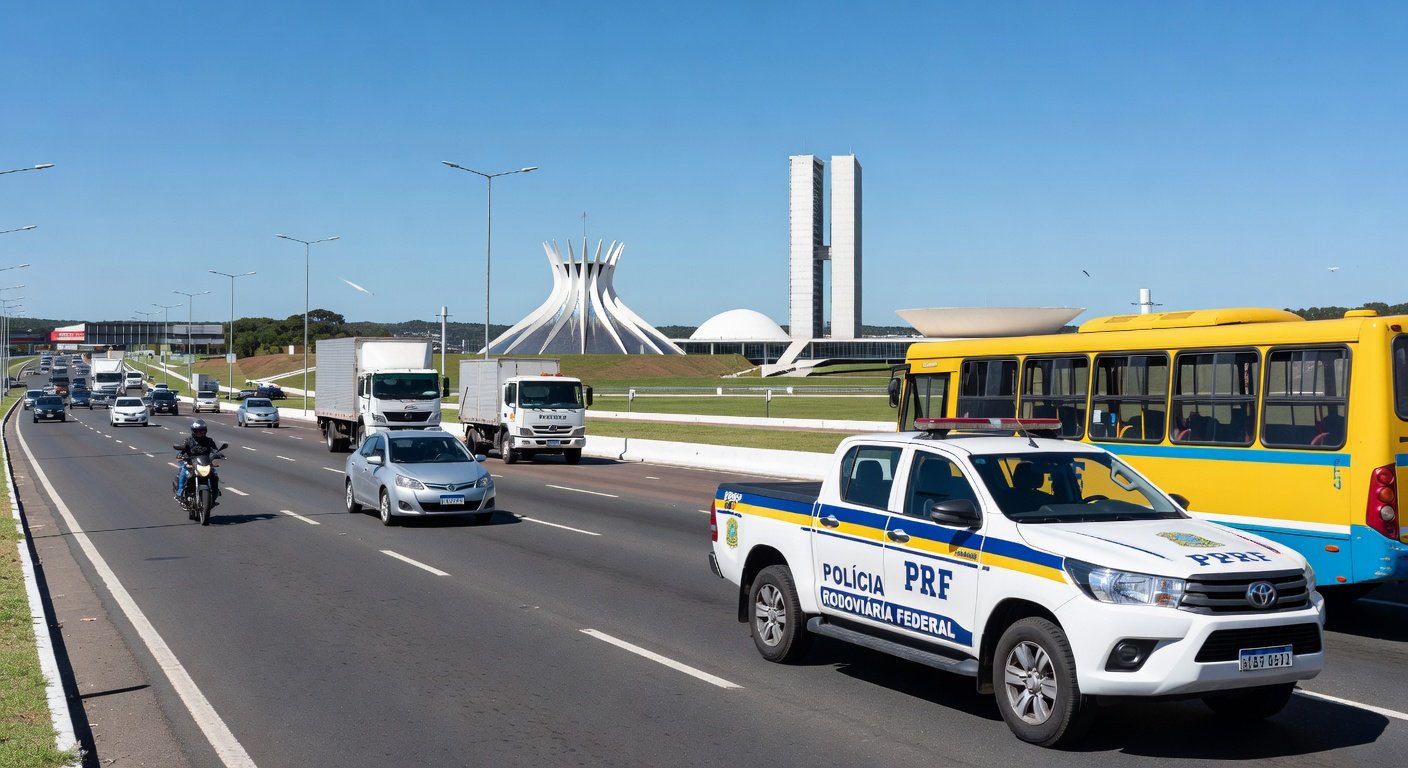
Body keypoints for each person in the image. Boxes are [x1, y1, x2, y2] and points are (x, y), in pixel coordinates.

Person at [174, 419, 219, 503]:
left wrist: (218, 454)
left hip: (205, 463)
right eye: (198, 430)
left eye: (203, 430)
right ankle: (179, 493)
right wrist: (181, 454)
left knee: (214, 475)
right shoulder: (188, 440)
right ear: (194, 431)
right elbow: (182, 449)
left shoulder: (209, 440)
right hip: (191, 463)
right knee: (183, 473)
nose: (201, 432)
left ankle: (215, 493)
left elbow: (214, 450)